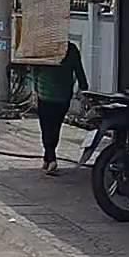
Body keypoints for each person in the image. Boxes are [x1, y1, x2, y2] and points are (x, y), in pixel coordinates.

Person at [29, 41, 88, 175]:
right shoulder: (71, 48)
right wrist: (83, 88)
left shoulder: (44, 47)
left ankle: (51, 158)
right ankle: (48, 157)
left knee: (46, 127)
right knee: (55, 127)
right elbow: (79, 70)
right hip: (64, 95)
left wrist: (35, 89)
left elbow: (35, 70)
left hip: (45, 94)